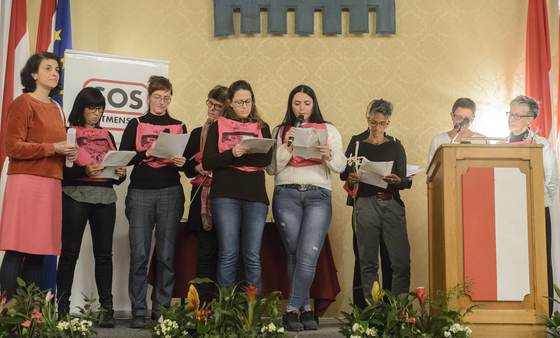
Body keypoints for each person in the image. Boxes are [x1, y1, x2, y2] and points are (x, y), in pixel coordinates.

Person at [266, 85, 345, 331]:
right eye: (297, 103)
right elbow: (271, 169)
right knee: (295, 254)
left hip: (318, 195)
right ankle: (306, 310)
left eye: (307, 103)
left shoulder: (329, 129)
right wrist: (285, 149)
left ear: (314, 105)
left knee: (308, 255)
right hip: (286, 193)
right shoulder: (281, 130)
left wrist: (328, 153)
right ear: (291, 105)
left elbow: (340, 165)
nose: (302, 108)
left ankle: (291, 310)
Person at [0, 52, 77, 300]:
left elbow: (59, 146)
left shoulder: (57, 108)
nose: (55, 73)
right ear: (33, 73)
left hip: (52, 183)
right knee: (17, 247)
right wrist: (51, 148)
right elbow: (12, 147)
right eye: (48, 68)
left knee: (39, 249)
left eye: (57, 69)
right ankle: (5, 313)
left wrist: (68, 154)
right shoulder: (23, 103)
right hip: (26, 182)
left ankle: (29, 317)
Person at [120, 76, 187, 328]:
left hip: (170, 190)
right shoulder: (136, 123)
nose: (162, 102)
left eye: (167, 97)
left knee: (167, 255)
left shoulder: (179, 125)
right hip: (140, 193)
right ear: (148, 97)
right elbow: (125, 158)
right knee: (139, 254)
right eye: (157, 97)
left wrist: (183, 162)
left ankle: (162, 310)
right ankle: (139, 310)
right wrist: (146, 153)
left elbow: (188, 162)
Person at [56, 87, 126, 327]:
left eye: (100, 109)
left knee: (104, 255)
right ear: (81, 108)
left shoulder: (107, 133)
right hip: (76, 196)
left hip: (106, 197)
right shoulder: (69, 132)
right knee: (69, 254)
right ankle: (62, 309)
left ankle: (107, 310)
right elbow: (62, 172)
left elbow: (117, 176)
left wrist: (120, 173)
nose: (96, 113)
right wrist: (83, 171)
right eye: (91, 108)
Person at [202, 80, 273, 293]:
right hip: (225, 196)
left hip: (255, 197)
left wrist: (231, 161)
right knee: (228, 254)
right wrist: (231, 154)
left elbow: (265, 161)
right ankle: (224, 314)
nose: (245, 106)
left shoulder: (262, 127)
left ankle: (252, 314)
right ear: (230, 103)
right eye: (240, 102)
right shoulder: (217, 126)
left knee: (252, 255)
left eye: (248, 101)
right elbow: (207, 162)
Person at [340, 99, 410, 305]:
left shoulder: (396, 146)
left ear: (388, 123)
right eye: (374, 122)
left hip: (391, 204)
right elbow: (344, 173)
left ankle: (397, 311)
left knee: (400, 263)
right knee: (368, 262)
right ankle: (373, 312)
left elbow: (404, 180)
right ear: (368, 119)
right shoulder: (357, 143)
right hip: (365, 204)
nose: (377, 128)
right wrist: (352, 177)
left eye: (382, 124)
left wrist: (398, 181)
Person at [506, 95, 559, 315]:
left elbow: (552, 182)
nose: (512, 119)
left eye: (517, 115)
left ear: (530, 120)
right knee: (511, 263)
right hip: (507, 215)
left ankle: (542, 317)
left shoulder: (541, 144)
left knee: (538, 264)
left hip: (535, 213)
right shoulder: (498, 144)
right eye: (510, 113)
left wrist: (536, 204)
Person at [184, 85, 228, 305]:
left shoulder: (231, 134)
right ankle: (202, 309)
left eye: (217, 106)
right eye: (209, 103)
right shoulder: (195, 133)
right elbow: (185, 165)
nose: (211, 108)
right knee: (206, 255)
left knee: (227, 256)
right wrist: (196, 168)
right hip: (201, 200)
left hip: (226, 197)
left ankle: (223, 308)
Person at [427, 98, 485, 165]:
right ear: (452, 116)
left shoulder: (482, 140)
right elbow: (430, 173)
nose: (462, 122)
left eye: (466, 119)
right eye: (458, 117)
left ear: (472, 119)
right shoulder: (438, 140)